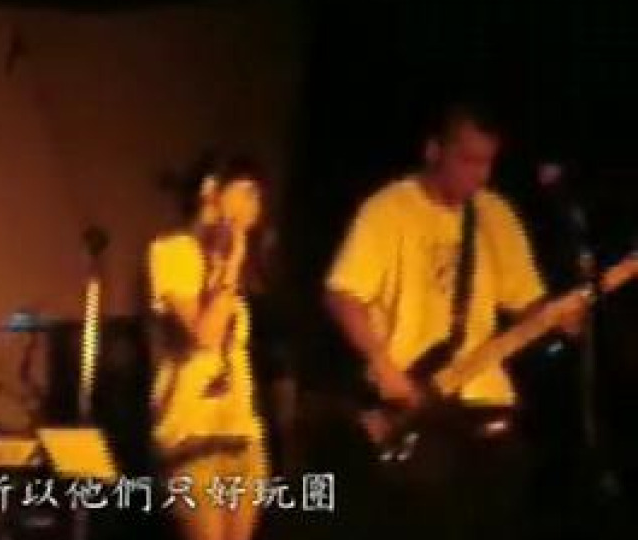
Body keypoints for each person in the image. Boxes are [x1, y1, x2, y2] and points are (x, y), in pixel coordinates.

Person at [323, 101, 585, 538]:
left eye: (487, 163)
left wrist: (559, 319)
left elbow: (527, 302)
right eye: (468, 160)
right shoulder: (388, 209)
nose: (480, 175)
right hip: (416, 397)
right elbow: (342, 294)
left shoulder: (495, 215)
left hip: (485, 399)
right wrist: (382, 365)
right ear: (434, 151)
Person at [146, 155, 269, 540]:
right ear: (211, 191)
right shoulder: (172, 251)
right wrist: (230, 266)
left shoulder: (236, 262)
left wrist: (233, 262)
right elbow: (205, 335)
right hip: (192, 435)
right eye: (246, 192)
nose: (254, 207)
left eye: (258, 197)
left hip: (241, 432)